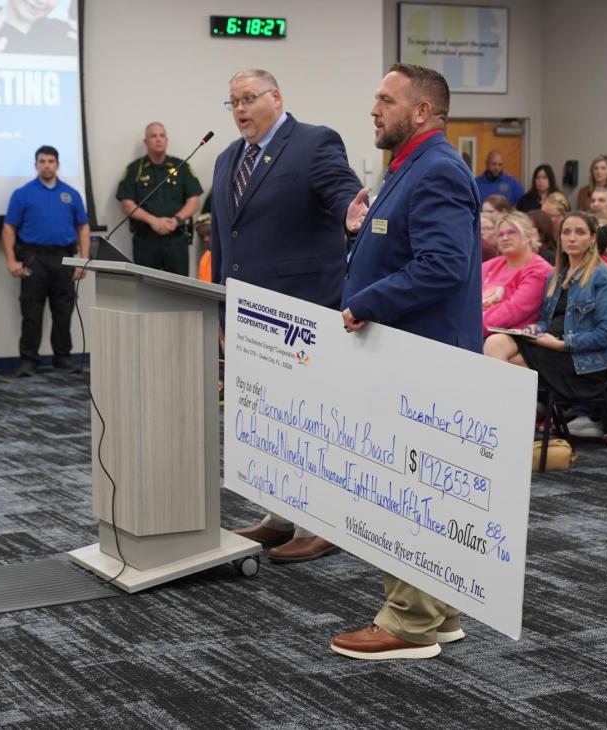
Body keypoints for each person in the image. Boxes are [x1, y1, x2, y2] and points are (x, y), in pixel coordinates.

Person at [332, 63, 478, 662]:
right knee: (420, 488)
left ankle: (409, 622)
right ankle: (438, 612)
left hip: (423, 361)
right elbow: (404, 249)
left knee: (405, 491)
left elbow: (444, 265)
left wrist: (367, 298)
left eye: (386, 99)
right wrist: (358, 240)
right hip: (409, 355)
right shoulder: (408, 167)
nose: (374, 108)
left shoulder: (438, 169)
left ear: (421, 111)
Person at [209, 69, 363, 562]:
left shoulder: (314, 142)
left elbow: (344, 194)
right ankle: (279, 516)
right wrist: (222, 313)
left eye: (249, 98)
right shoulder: (226, 158)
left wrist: (350, 215)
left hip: (303, 313)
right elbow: (222, 240)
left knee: (308, 422)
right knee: (263, 421)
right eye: (232, 102)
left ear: (276, 97)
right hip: (249, 318)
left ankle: (324, 522)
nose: (239, 110)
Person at [505, 211, 607, 399]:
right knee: (496, 341)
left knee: (510, 363)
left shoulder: (604, 278)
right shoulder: (555, 276)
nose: (572, 238)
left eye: (580, 232)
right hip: (550, 345)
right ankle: (499, 419)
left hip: (582, 362)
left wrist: (562, 344)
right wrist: (536, 328)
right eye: (566, 232)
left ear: (592, 239)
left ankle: (503, 419)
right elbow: (547, 320)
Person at [2, 145, 90, 377]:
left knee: (64, 310)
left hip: (64, 258)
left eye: (51, 161)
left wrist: (83, 260)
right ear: (36, 165)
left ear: (57, 165)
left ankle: (62, 358)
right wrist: (12, 260)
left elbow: (83, 227)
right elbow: (9, 228)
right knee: (32, 311)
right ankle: (29, 361)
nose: (47, 165)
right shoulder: (22, 194)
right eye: (42, 161)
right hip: (34, 258)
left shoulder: (71, 194)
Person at [115, 123, 202, 276]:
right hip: (146, 240)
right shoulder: (134, 169)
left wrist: (175, 220)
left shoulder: (181, 167)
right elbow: (127, 204)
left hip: (176, 238)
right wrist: (152, 221)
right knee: (146, 289)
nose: (158, 139)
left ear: (167, 140)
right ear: (145, 142)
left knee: (179, 290)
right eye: (153, 136)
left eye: (162, 135)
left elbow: (193, 201)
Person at [479, 212, 552, 340]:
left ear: (528, 236)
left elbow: (513, 311)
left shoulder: (539, 269)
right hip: (477, 331)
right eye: (500, 235)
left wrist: (470, 328)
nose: (505, 238)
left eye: (511, 232)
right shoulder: (489, 266)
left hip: (511, 338)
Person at [577, 155, 607, 223]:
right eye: (596, 168)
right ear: (592, 171)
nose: (599, 171)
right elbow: (580, 216)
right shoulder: (583, 192)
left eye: (603, 168)